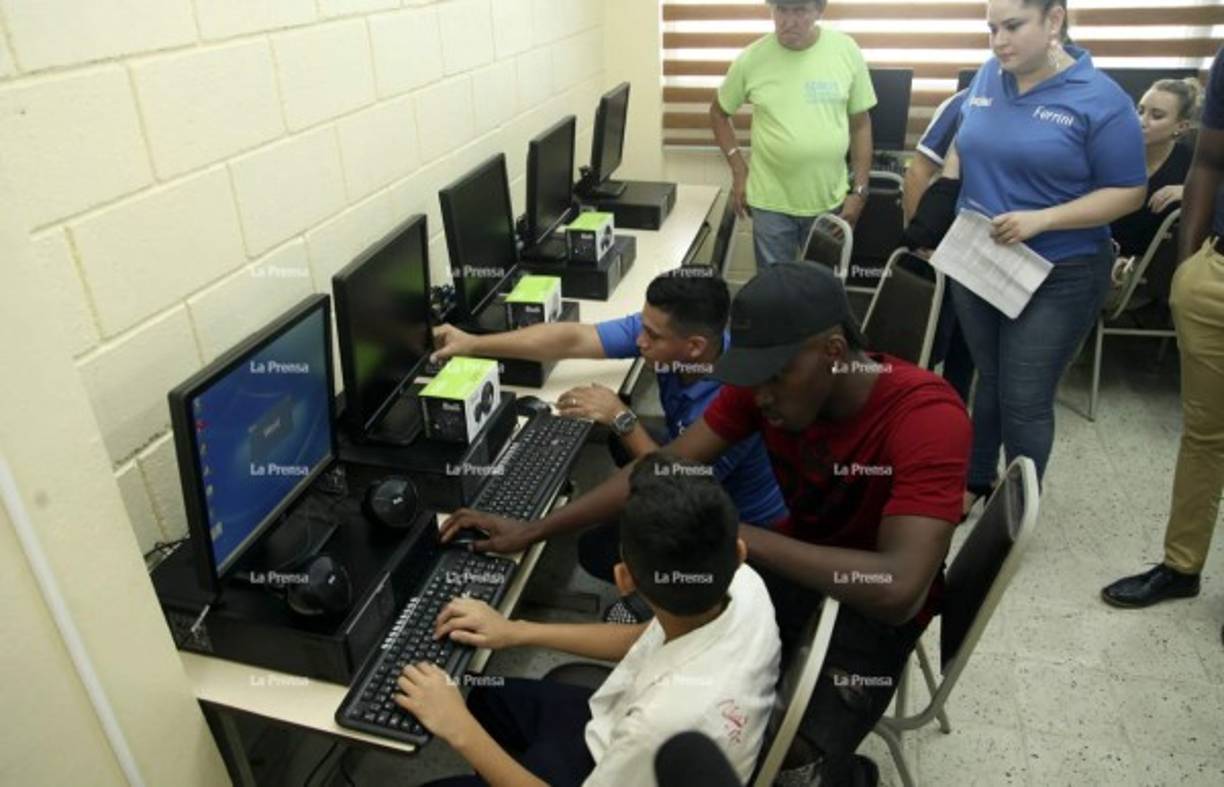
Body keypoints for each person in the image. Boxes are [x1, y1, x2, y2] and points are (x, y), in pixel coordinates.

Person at [441, 264, 973, 787]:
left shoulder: (927, 417)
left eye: (773, 378)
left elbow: (898, 588)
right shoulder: (765, 383)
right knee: (675, 624)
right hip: (794, 553)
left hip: (873, 610)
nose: (760, 398)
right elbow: (664, 467)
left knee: (795, 764)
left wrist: (732, 535)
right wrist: (534, 528)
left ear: (833, 352)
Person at [398, 456, 781, 787]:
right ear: (739, 551)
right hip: (620, 729)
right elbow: (644, 637)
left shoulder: (659, 725)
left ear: (624, 580)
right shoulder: (745, 582)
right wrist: (515, 631)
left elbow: (651, 724)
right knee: (487, 696)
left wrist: (459, 730)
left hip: (621, 759)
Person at [944, 0, 1146, 513]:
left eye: (1013, 27)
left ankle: (1014, 514)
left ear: (1054, 20)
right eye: (992, 28)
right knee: (990, 377)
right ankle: (976, 479)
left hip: (1061, 269)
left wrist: (1044, 218)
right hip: (981, 256)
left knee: (1025, 396)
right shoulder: (990, 75)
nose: (999, 41)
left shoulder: (1100, 98)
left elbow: (1129, 192)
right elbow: (966, 145)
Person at [431, 269, 788, 545]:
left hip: (733, 521)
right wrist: (472, 344)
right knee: (619, 443)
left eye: (652, 336)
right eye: (642, 327)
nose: (639, 341)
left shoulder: (731, 400)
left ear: (694, 347)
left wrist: (622, 418)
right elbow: (574, 338)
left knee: (596, 548)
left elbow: (677, 480)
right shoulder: (679, 340)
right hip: (687, 464)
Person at [1100, 48, 1224, 641]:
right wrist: (1187, 270)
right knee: (1204, 436)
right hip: (1215, 274)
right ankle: (1181, 567)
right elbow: (1210, 160)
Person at [709, 0, 876, 267]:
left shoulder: (845, 50)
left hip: (828, 201)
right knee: (775, 288)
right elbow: (718, 113)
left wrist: (859, 191)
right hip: (770, 205)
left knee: (822, 286)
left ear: (819, 11)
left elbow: (860, 125)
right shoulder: (752, 58)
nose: (788, 21)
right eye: (781, 10)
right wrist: (739, 170)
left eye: (799, 10)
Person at [899, 88, 976, 403]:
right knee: (926, 341)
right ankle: (916, 405)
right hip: (942, 243)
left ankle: (953, 410)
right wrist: (921, 239)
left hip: (988, 248)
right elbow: (918, 171)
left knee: (967, 347)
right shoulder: (964, 102)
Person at [1109, 78, 1201, 260]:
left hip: (1156, 267)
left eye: (1156, 116)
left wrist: (1190, 191)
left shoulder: (1191, 164)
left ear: (1181, 126)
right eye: (1140, 111)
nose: (1141, 121)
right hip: (1102, 258)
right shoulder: (1111, 153)